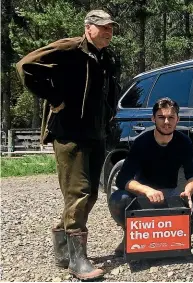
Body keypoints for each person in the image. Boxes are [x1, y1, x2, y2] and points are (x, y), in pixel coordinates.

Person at [15, 9, 120, 280]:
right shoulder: (70, 49)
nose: (108, 32)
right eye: (103, 27)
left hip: (96, 133)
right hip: (69, 133)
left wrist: (110, 113)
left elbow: (109, 90)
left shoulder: (106, 57)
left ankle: (62, 250)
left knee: (91, 194)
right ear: (88, 28)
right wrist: (53, 98)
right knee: (80, 192)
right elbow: (25, 65)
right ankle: (77, 262)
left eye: (111, 28)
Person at [108, 97, 193, 255]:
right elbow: (123, 179)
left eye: (171, 117)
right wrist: (147, 191)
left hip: (170, 195)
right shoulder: (141, 142)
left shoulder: (184, 142)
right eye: (161, 117)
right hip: (142, 198)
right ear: (153, 119)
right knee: (117, 199)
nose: (166, 122)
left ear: (177, 119)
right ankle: (130, 234)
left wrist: (188, 191)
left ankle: (179, 232)